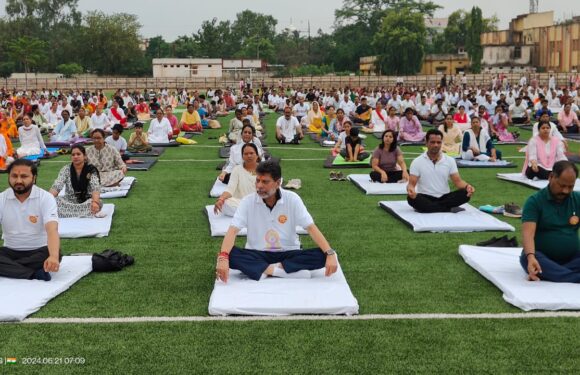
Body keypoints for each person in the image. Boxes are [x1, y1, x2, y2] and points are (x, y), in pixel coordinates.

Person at [214, 160, 338, 282]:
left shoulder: (292, 199)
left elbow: (310, 227)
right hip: (257, 252)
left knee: (324, 254)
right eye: (257, 180)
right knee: (228, 254)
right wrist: (223, 258)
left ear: (278, 182)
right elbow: (233, 230)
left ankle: (264, 270)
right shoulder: (247, 201)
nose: (259, 186)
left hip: (288, 252)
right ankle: (280, 271)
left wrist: (330, 253)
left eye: (265, 182)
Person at [520, 161, 580, 283]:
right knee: (527, 259)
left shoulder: (577, 199)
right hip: (541, 257)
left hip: (573, 258)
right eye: (562, 185)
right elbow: (528, 235)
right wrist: (531, 257)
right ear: (551, 177)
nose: (566, 191)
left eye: (570, 186)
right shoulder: (534, 201)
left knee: (544, 269)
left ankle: (555, 273)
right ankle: (572, 276)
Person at [0, 159, 60, 281]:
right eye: (14, 176)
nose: (18, 181)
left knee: (53, 254)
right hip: (10, 251)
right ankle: (33, 274)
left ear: (34, 178)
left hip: (39, 251)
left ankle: (12, 269)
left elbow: (52, 230)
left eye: (24, 176)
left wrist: (53, 256)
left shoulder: (45, 198)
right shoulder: (2, 198)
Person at [407, 129, 475, 213]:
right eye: (432, 142)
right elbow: (411, 184)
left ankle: (429, 208)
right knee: (411, 198)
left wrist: (467, 186)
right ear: (426, 143)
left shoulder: (449, 160)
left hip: (445, 197)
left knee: (465, 194)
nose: (436, 145)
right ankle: (447, 208)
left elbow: (458, 182)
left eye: (438, 142)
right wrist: (411, 190)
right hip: (425, 197)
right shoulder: (417, 161)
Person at [49, 145, 103, 218]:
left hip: (87, 201)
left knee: (97, 203)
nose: (75, 156)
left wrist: (95, 202)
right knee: (54, 201)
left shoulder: (90, 170)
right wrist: (47, 200)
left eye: (78, 154)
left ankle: (67, 214)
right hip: (69, 201)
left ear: (84, 156)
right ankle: (85, 214)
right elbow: (57, 185)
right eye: (73, 155)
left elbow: (95, 188)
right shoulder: (66, 169)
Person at [214, 143, 260, 217]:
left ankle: (250, 212)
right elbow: (230, 189)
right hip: (240, 202)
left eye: (251, 153)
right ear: (242, 156)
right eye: (246, 154)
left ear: (257, 155)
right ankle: (253, 212)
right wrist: (221, 199)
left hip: (259, 202)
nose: (249, 156)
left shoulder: (264, 170)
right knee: (225, 203)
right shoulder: (237, 169)